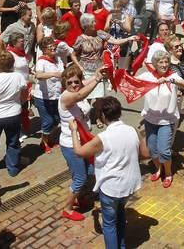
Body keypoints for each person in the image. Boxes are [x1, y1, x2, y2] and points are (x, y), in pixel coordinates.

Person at [69, 97, 148, 249]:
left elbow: (79, 152)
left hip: (112, 188)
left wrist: (74, 131)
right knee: (120, 215)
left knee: (109, 224)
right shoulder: (133, 130)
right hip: (129, 185)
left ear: (103, 116)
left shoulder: (103, 138)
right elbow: (145, 153)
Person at [137, 50, 184, 188]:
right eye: (161, 62)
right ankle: (159, 168)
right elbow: (132, 82)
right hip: (150, 120)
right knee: (152, 150)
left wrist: (169, 80)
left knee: (164, 150)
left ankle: (168, 173)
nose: (164, 64)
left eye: (166, 62)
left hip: (167, 120)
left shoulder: (173, 76)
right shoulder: (147, 76)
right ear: (155, 64)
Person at [58, 64, 102, 221]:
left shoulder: (78, 88)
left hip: (84, 141)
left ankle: (79, 196)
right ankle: (67, 208)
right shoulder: (66, 97)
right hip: (71, 145)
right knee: (80, 178)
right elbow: (79, 96)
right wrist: (97, 80)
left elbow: (84, 83)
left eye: (76, 82)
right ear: (64, 84)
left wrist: (96, 75)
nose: (74, 85)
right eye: (69, 83)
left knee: (90, 171)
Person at [71, 14, 136, 101]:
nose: (95, 23)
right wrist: (79, 67)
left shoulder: (100, 34)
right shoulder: (80, 39)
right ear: (86, 25)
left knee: (100, 98)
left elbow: (116, 41)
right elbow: (73, 55)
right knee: (87, 98)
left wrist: (129, 39)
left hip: (99, 71)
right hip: (85, 72)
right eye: (92, 22)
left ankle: (98, 114)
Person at [33, 38, 63, 154]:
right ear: (44, 50)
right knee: (48, 121)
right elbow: (39, 75)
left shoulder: (58, 59)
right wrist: (54, 74)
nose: (53, 48)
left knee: (56, 120)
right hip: (43, 97)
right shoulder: (42, 62)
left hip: (56, 95)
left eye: (54, 46)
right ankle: (43, 143)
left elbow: (62, 73)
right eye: (50, 47)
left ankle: (48, 139)